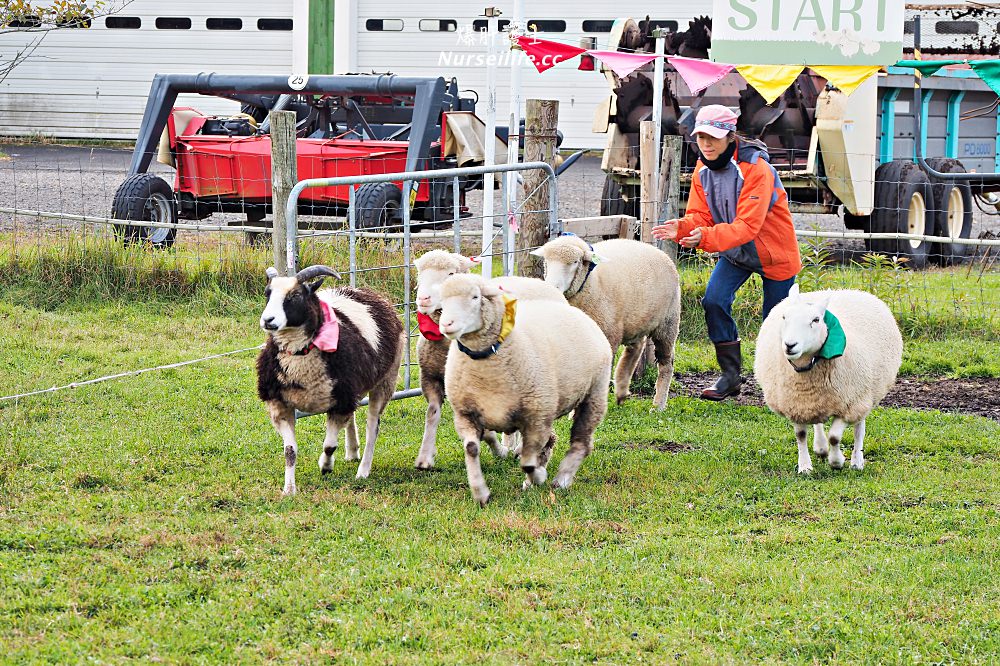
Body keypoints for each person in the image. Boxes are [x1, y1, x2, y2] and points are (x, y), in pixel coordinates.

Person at [652, 105, 801, 400]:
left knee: (777, 319)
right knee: (714, 301)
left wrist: (705, 237)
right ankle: (730, 377)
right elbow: (700, 215)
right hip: (734, 251)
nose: (706, 144)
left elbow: (748, 225)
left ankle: (785, 382)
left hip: (774, 254)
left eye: (713, 138)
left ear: (731, 137)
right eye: (701, 137)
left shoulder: (757, 169)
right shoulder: (701, 168)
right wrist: (683, 228)